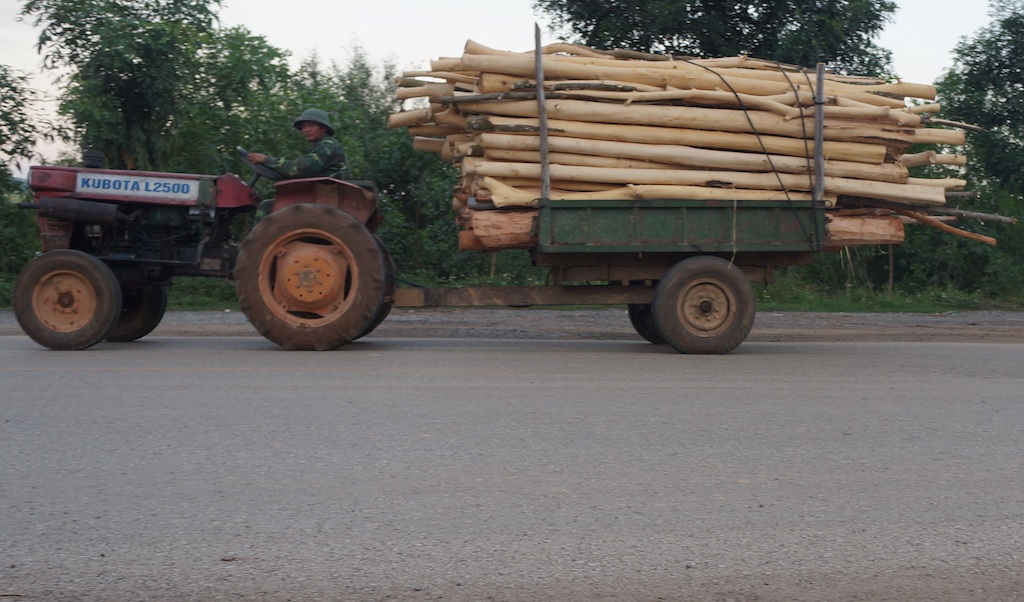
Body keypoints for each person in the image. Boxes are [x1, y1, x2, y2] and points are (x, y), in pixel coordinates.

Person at [248, 108, 348, 220]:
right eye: (303, 127)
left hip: (325, 196)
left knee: (266, 207)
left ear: (323, 128)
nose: (306, 130)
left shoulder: (327, 146)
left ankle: (260, 238)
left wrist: (266, 160)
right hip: (320, 194)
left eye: (310, 125)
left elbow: (299, 169)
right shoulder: (323, 146)